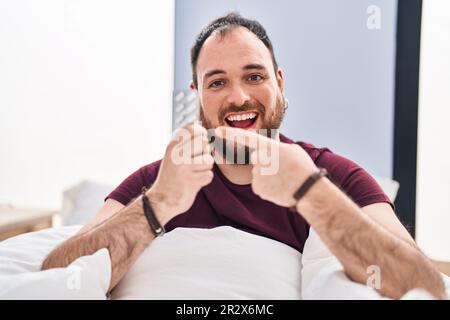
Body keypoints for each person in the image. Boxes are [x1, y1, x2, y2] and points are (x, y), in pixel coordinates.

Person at [41, 13, 445, 299]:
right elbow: (58, 276)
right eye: (217, 82)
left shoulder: (333, 175)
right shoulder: (157, 179)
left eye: (254, 76)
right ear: (197, 94)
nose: (238, 97)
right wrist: (160, 203)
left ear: (279, 82)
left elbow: (423, 286)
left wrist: (310, 193)